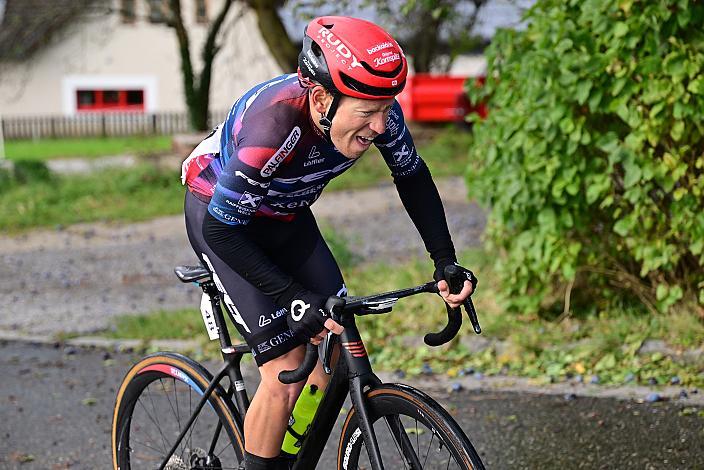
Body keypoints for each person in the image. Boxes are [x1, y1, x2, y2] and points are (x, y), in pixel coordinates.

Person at [181, 15, 476, 470]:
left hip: (285, 215)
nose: (381, 125)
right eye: (367, 112)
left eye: (385, 108)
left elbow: (412, 175)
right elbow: (224, 231)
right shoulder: (274, 128)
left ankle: (289, 455)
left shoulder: (378, 111)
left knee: (339, 341)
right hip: (222, 222)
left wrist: (444, 260)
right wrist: (295, 299)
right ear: (321, 97)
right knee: (285, 367)